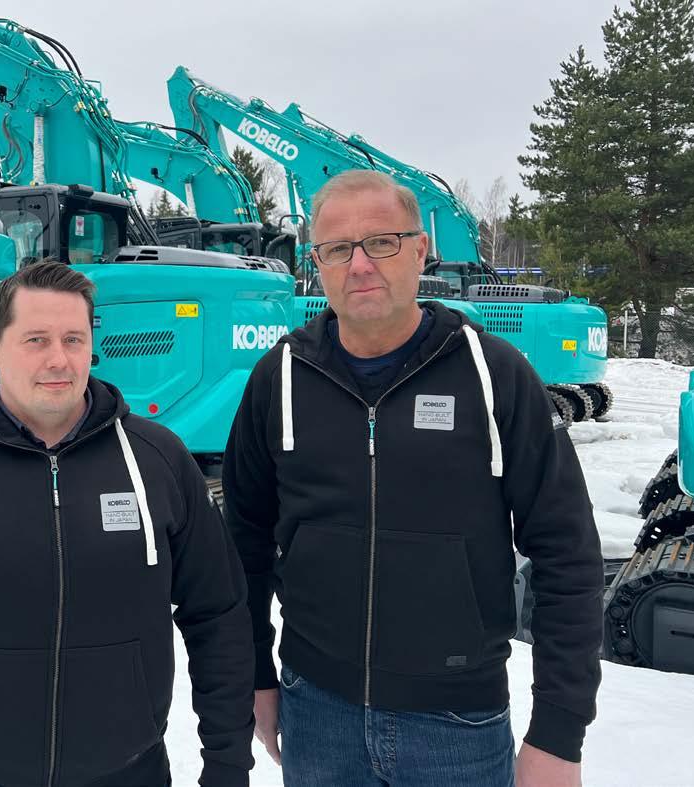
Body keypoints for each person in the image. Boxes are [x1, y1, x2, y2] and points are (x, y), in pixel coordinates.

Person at [223, 170, 603, 787]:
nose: (360, 265)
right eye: (337, 249)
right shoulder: (280, 378)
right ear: (316, 263)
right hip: (316, 711)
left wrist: (559, 732)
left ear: (421, 249)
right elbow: (243, 545)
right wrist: (255, 676)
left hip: (458, 724)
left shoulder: (494, 375)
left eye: (382, 242)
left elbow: (567, 552)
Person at [0, 261, 255, 787]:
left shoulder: (157, 460)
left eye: (73, 339)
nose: (58, 359)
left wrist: (227, 766)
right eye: (36, 339)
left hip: (130, 775)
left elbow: (218, 615)